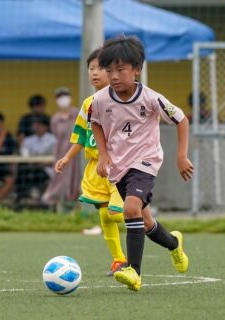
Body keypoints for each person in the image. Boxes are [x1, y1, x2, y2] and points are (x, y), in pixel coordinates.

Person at [91, 36, 193, 291]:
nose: (113, 76)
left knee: (130, 208)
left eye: (120, 69)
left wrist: (181, 156)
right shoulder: (101, 100)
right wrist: (103, 155)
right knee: (144, 222)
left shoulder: (150, 98)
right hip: (119, 168)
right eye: (109, 70)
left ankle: (133, 272)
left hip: (145, 162)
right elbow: (96, 123)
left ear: (137, 69)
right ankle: (174, 244)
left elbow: (181, 119)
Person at [55, 49, 127, 276]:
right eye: (91, 68)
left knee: (117, 213)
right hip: (97, 168)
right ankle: (118, 259)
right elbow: (81, 136)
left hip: (118, 165)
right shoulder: (87, 104)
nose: (95, 73)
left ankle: (144, 216)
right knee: (105, 215)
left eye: (100, 68)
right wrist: (67, 157)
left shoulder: (122, 100)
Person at [41, 88, 80, 209]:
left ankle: (78, 212)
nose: (63, 99)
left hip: (78, 154)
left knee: (78, 182)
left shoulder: (78, 113)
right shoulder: (55, 119)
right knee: (60, 181)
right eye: (60, 96)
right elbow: (56, 135)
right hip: (62, 154)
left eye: (65, 95)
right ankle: (58, 208)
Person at [16, 115, 56, 201]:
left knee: (39, 174)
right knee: (21, 172)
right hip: (31, 167)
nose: (36, 127)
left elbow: (56, 158)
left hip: (47, 169)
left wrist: (41, 163)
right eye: (35, 125)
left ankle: (42, 199)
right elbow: (24, 155)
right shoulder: (28, 140)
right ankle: (21, 199)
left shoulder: (52, 140)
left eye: (39, 125)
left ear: (45, 126)